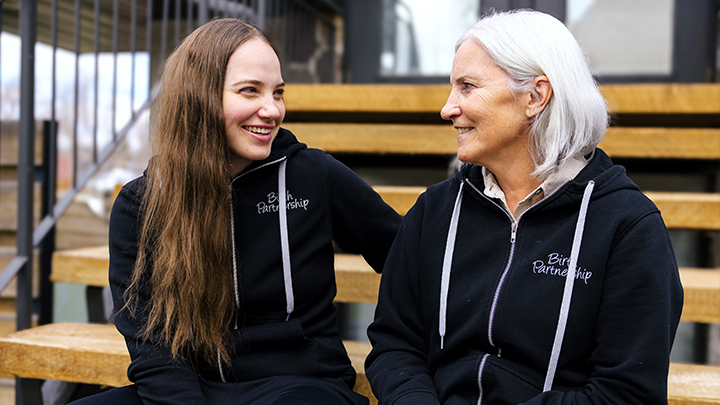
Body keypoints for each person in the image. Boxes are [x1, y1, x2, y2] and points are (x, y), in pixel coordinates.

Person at [71, 18, 401, 405]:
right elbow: (152, 346)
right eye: (250, 91)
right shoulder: (141, 204)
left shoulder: (314, 176)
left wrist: (400, 352)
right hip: (191, 388)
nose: (272, 110)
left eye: (278, 93)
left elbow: (411, 261)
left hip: (300, 385)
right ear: (200, 96)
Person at [365, 9, 683, 405]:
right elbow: (396, 344)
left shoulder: (628, 226)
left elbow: (626, 394)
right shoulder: (435, 210)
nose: (448, 108)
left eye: (467, 86)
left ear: (534, 97)